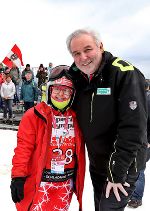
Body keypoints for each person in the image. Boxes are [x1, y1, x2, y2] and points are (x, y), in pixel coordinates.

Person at [66, 28, 147, 211]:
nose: (83, 57)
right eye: (76, 53)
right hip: (98, 163)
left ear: (100, 46)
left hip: (123, 165)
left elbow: (133, 128)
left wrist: (117, 173)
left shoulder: (124, 73)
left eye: (88, 49)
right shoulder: (79, 77)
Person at [10, 65, 85, 211]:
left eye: (66, 90)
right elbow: (23, 148)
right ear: (49, 90)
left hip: (64, 183)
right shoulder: (33, 116)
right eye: (56, 89)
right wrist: (18, 177)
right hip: (40, 183)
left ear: (73, 94)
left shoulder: (77, 118)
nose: (60, 94)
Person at [128, 81, 150, 208]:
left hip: (143, 143)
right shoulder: (135, 99)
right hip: (134, 141)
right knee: (134, 169)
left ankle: (136, 198)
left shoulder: (146, 100)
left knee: (139, 170)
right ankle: (133, 196)